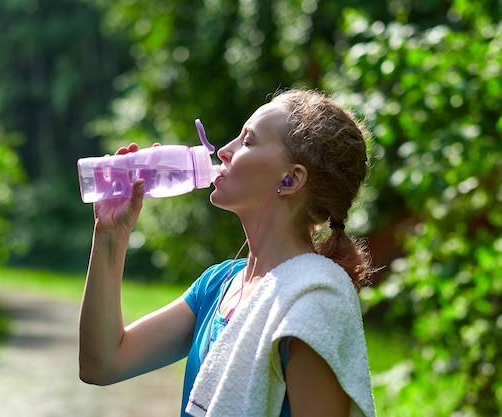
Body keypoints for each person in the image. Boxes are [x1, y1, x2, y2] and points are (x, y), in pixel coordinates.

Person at [78, 88, 377, 417]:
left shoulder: (312, 302)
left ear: (290, 179)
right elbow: (102, 364)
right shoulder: (217, 285)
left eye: (247, 141)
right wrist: (110, 235)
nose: (223, 151)